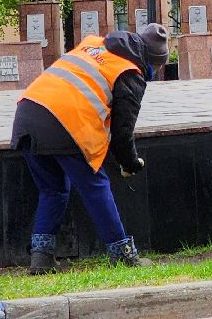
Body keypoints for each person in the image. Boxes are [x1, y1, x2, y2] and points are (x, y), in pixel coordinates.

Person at [11, 22, 169, 273]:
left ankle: (41, 258)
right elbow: (122, 132)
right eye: (159, 66)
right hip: (65, 122)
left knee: (53, 190)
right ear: (152, 60)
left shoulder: (93, 45)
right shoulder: (129, 72)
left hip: (27, 114)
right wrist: (130, 163)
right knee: (95, 185)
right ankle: (123, 254)